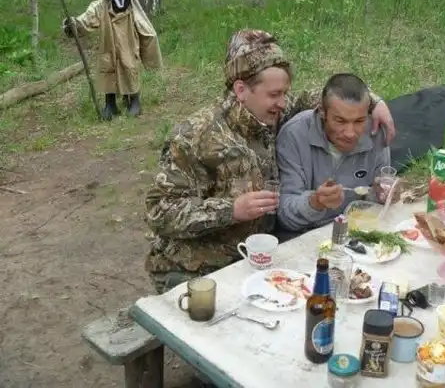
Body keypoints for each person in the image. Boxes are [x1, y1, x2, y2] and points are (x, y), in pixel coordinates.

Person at [143, 30, 396, 293]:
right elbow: (158, 211)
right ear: (241, 90)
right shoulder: (195, 137)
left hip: (259, 258)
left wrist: (375, 102)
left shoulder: (270, 113)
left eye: (285, 93)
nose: (283, 103)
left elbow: (326, 98)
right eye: (275, 94)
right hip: (197, 270)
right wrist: (231, 210)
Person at [275, 73, 403, 237]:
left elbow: (378, 198)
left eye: (359, 121)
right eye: (340, 121)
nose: (350, 133)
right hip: (306, 233)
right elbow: (285, 215)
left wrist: (384, 195)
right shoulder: (294, 135)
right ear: (322, 112)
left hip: (357, 228)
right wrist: (315, 202)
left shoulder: (376, 132)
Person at [62, 0, 163, 119]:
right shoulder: (100, 7)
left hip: (128, 45)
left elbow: (145, 28)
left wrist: (150, 53)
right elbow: (86, 20)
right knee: (108, 70)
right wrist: (73, 24)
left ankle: (134, 100)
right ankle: (110, 104)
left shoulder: (132, 6)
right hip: (109, 46)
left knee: (129, 67)